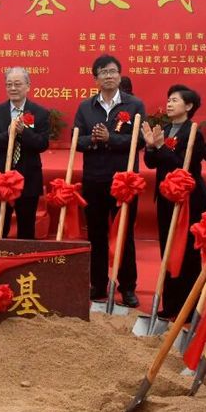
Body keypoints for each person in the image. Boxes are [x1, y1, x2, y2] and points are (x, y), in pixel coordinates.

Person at [72, 54, 147, 308]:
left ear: (119, 75)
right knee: (96, 233)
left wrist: (110, 139)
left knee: (124, 234)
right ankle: (97, 283)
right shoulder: (85, 107)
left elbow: (140, 140)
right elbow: (77, 140)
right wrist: (93, 139)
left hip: (123, 181)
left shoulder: (134, 105)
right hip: (94, 179)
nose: (109, 76)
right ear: (96, 79)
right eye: (103, 72)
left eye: (113, 71)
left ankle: (127, 286)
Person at [141, 84, 206, 317]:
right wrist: (150, 147)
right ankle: (170, 304)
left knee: (187, 252)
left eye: (175, 100)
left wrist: (160, 146)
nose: (169, 104)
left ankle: (188, 307)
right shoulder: (166, 129)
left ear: (189, 106)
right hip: (166, 197)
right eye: (168, 100)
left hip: (187, 199)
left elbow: (182, 166)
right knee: (167, 248)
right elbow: (151, 163)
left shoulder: (193, 132)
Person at [0, 67, 50, 239]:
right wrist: (8, 134)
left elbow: (42, 144)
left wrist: (23, 132)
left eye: (17, 84)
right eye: (9, 84)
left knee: (26, 229)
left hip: (28, 178)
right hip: (1, 179)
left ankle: (25, 256)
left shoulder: (40, 113)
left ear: (28, 86)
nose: (13, 88)